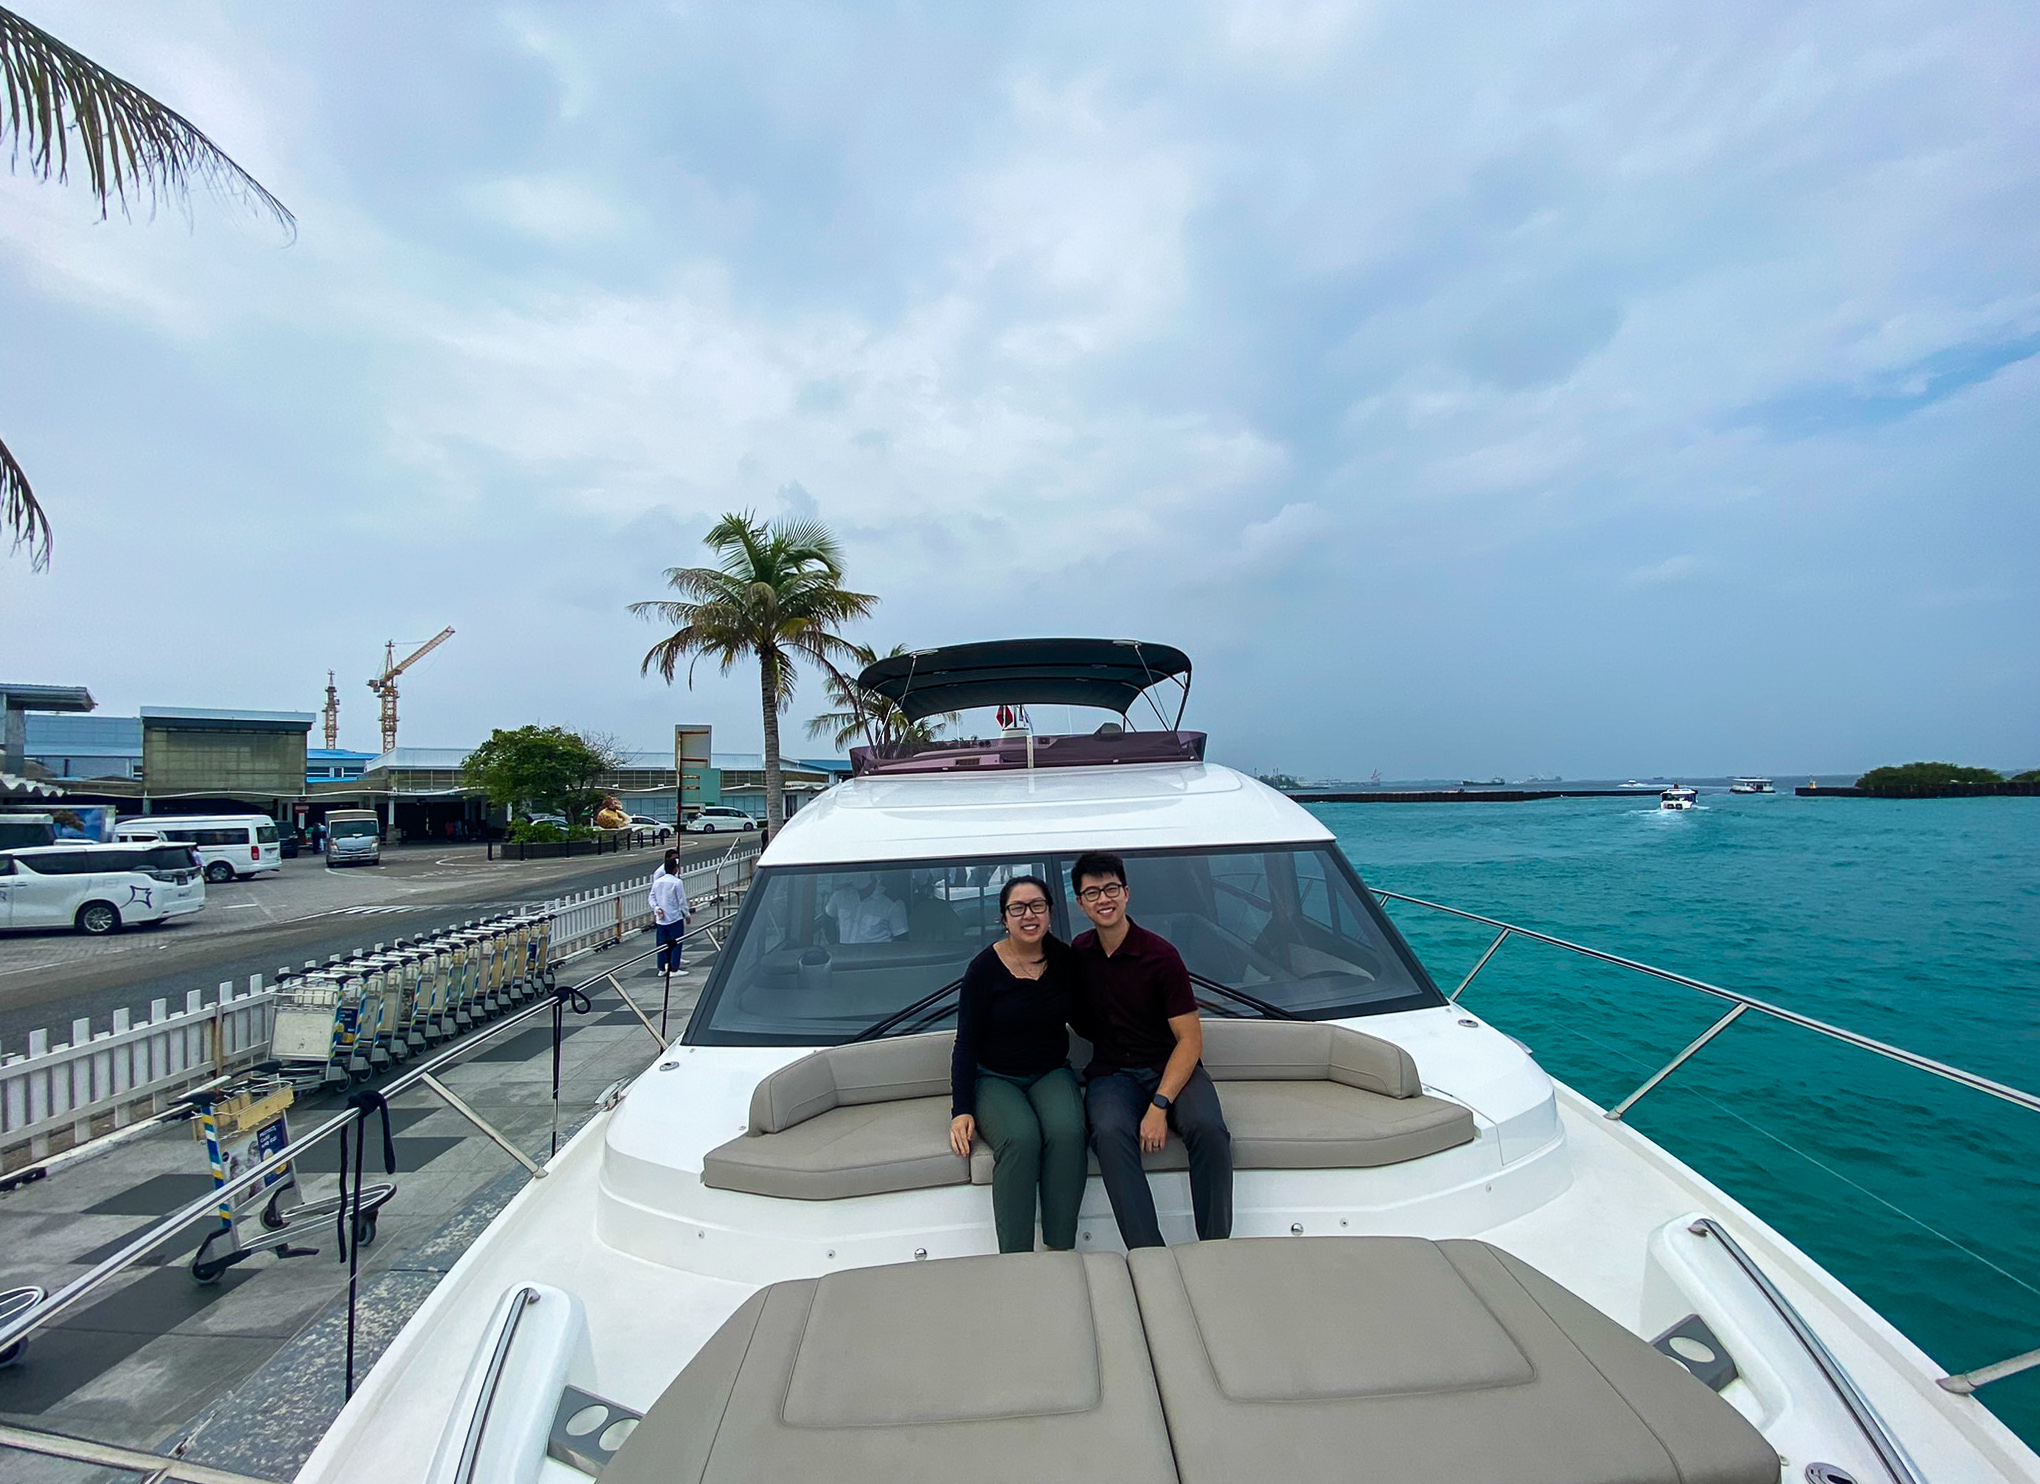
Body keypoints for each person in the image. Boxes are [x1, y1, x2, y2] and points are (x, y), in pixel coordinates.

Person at [1070, 850, 1231, 1248]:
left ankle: (1214, 1245)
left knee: (1208, 1129)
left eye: (1111, 889)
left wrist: (1159, 1106)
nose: (1103, 900)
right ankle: (1148, 1251)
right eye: (1092, 893)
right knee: (1107, 1133)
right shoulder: (1079, 953)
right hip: (1112, 1073)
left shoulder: (1161, 956)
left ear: (1127, 893)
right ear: (1080, 903)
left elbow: (1190, 1039)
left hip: (1170, 1065)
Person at [947, 876, 1087, 1253]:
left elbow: (1091, 1018)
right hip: (995, 1077)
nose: (1029, 915)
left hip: (1051, 1071)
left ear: (1050, 912)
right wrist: (960, 1109)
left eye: (1037, 906)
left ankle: (1061, 1248)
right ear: (1004, 918)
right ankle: (1017, 1257)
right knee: (1020, 1138)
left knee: (1068, 1133)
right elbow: (966, 1042)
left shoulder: (1065, 961)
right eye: (1018, 908)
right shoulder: (983, 969)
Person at [825, 872, 908, 943]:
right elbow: (828, 919)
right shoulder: (840, 896)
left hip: (875, 959)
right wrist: (834, 946)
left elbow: (901, 940)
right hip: (846, 958)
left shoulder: (892, 903)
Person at [649, 854, 690, 975]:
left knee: (661, 944)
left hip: (661, 918)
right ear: (675, 869)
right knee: (676, 942)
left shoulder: (657, 882)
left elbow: (651, 897)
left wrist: (657, 909)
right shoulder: (677, 882)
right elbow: (682, 901)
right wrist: (686, 914)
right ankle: (674, 968)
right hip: (674, 917)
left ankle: (662, 967)